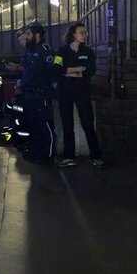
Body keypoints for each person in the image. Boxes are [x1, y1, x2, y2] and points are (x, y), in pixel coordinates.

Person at [5, 21, 56, 164]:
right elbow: (27, 69)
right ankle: (36, 151)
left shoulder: (45, 49)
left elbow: (51, 69)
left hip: (41, 94)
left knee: (45, 124)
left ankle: (48, 155)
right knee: (33, 124)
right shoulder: (30, 51)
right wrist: (17, 68)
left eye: (28, 34)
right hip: (29, 94)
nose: (26, 36)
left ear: (37, 35)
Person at [54, 22, 104, 169]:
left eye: (85, 32)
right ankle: (69, 157)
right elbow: (56, 69)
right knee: (67, 124)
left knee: (88, 123)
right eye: (81, 32)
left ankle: (96, 156)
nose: (84, 35)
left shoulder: (88, 52)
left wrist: (69, 71)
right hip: (65, 92)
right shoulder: (61, 51)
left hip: (82, 92)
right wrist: (77, 69)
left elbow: (90, 70)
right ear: (73, 34)